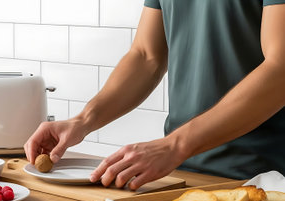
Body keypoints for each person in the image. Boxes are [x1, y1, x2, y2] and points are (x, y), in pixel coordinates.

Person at [24, 0, 285, 190]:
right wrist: (82, 121)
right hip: (183, 175)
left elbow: (281, 68)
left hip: (263, 178)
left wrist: (175, 145)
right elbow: (146, 55)